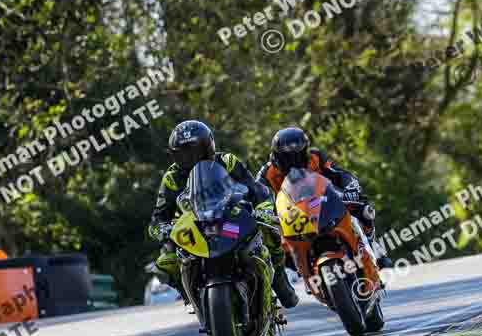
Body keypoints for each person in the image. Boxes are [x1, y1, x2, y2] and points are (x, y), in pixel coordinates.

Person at [148, 120, 299, 312]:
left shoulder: (226, 161)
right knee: (165, 264)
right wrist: (160, 228)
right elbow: (159, 216)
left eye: (196, 151)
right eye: (184, 154)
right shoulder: (171, 178)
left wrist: (264, 207)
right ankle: (191, 298)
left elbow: (255, 188)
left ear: (209, 147)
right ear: (175, 155)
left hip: (229, 220)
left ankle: (280, 282)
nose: (191, 158)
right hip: (194, 228)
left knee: (269, 233)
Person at [258, 127, 393, 269]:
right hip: (291, 215)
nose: (294, 161)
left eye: (299, 155)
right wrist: (262, 210)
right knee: (270, 242)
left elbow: (340, 173)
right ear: (277, 156)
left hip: (324, 200)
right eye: (288, 157)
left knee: (363, 208)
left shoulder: (315, 156)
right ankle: (298, 273)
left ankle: (375, 249)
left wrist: (350, 187)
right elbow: (257, 195)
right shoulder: (267, 173)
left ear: (305, 151)